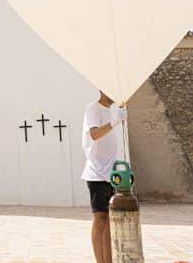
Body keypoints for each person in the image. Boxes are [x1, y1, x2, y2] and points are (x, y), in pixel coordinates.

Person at [82, 90, 127, 263]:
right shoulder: (92, 108)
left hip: (112, 173)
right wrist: (115, 121)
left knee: (109, 221)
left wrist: (117, 116)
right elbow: (94, 134)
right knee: (100, 218)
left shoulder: (113, 110)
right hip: (97, 173)